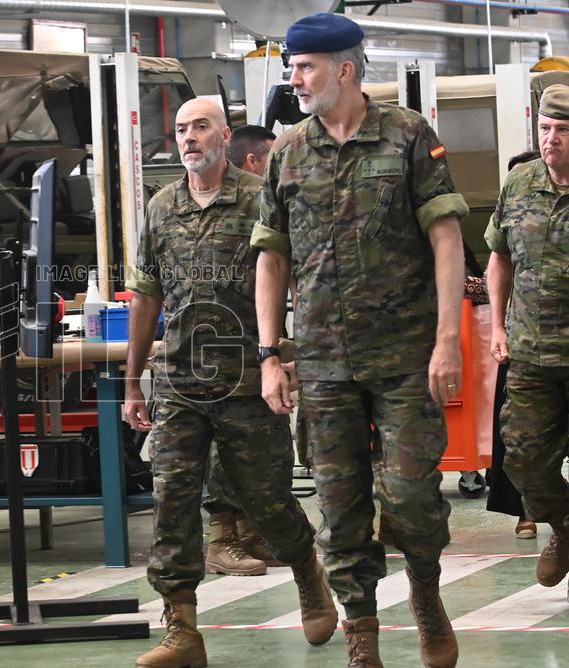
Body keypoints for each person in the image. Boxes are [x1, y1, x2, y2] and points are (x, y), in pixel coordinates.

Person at [252, 13, 467, 668]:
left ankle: (426, 596)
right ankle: (362, 636)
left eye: (305, 66)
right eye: (291, 67)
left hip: (406, 358)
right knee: (340, 509)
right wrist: (270, 353)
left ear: (343, 69)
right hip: (322, 363)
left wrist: (448, 339)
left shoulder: (407, 137)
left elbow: (447, 238)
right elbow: (270, 259)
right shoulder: (289, 153)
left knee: (410, 497)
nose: (294, 79)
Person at [124, 97, 336, 668]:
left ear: (224, 136)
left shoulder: (259, 199)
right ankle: (182, 629)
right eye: (181, 130)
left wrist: (295, 358)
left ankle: (307, 573)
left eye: (200, 127)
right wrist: (133, 380)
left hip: (248, 380)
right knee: (172, 500)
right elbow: (146, 296)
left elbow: (297, 284)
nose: (189, 138)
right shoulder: (162, 205)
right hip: (178, 383)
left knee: (266, 501)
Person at [485, 85, 569, 595]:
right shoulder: (520, 183)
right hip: (532, 353)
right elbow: (499, 256)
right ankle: (564, 525)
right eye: (544, 129)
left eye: (562, 130)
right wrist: (496, 325)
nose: (550, 140)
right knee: (521, 459)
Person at [200, 123, 285, 575]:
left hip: (256, 341)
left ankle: (252, 534)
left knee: (261, 446)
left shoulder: (259, 197)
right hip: (215, 348)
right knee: (223, 447)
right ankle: (223, 539)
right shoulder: (195, 202)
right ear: (252, 160)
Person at [484, 150, 542, 540]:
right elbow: (495, 263)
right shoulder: (511, 205)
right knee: (517, 443)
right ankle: (529, 511)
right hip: (523, 340)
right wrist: (499, 327)